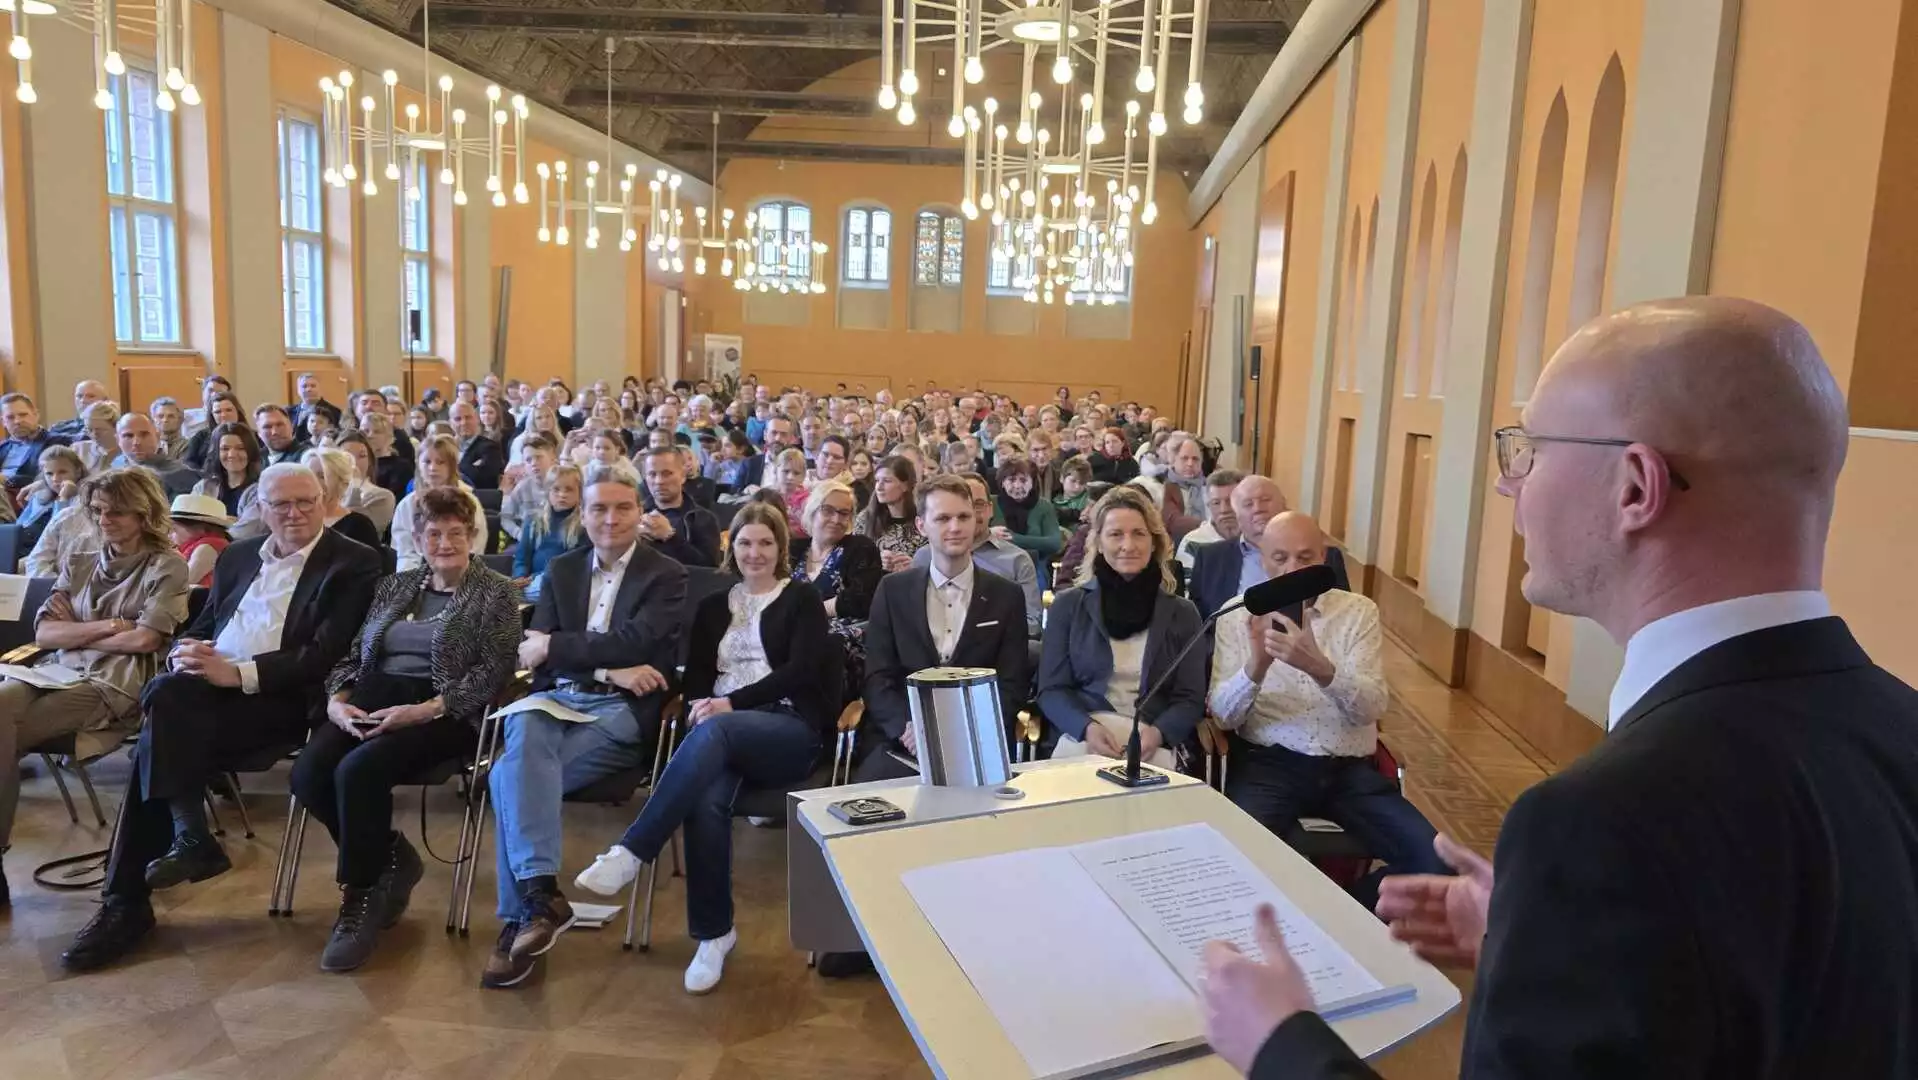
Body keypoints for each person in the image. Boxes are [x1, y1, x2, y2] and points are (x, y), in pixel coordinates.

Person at [1208, 297, 1918, 1080]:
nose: (1509, 486)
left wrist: (1283, 1045)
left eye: (1529, 451)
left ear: (1635, 488)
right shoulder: (1901, 726)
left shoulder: (1600, 824)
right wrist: (1558, 944)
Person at [59, 464, 381, 972]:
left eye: (306, 501)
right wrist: (184, 653)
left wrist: (237, 673)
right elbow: (204, 626)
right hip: (204, 697)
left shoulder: (354, 562)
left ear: (323, 502)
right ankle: (168, 860)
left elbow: (326, 654)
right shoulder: (238, 555)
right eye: (281, 504)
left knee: (159, 733)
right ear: (260, 509)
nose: (295, 513)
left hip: (283, 701)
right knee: (167, 702)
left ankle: (134, 895)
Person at [570, 502, 841, 995]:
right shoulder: (714, 606)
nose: (754, 553)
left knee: (716, 731)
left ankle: (633, 850)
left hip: (788, 728)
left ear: (781, 547)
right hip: (718, 733)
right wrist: (701, 704)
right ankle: (714, 935)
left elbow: (800, 672)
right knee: (705, 800)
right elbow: (695, 675)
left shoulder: (801, 597)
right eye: (745, 543)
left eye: (765, 543)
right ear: (731, 549)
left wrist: (728, 704)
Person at [293, 486, 521, 972]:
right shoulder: (394, 586)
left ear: (472, 536)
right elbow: (354, 655)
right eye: (433, 534)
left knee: (358, 772)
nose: (445, 543)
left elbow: (494, 673)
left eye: (455, 533)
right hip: (372, 697)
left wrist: (426, 710)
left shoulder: (497, 592)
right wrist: (336, 702)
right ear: (417, 539)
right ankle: (391, 856)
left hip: (447, 711)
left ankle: (360, 897)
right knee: (308, 775)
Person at [482, 460, 687, 990]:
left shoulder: (667, 575)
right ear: (583, 513)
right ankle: (539, 902)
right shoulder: (563, 569)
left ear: (640, 511)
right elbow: (536, 651)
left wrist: (565, 650)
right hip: (561, 698)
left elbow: (636, 641)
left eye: (623, 508)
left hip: (622, 711)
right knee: (525, 727)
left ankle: (524, 916)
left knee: (507, 778)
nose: (610, 519)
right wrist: (605, 668)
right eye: (599, 508)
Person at [1209, 511, 1444, 910]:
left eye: (1305, 558)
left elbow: (1372, 707)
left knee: (1438, 864)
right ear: (1262, 559)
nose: (1293, 569)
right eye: (1280, 558)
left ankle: (1342, 915)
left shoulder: (1358, 612)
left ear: (1324, 558)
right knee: (1234, 861)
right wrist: (1257, 666)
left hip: (1349, 769)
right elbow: (1223, 718)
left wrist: (1320, 668)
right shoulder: (1237, 613)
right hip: (1270, 765)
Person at [0, 469, 189, 905]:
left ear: (144, 514)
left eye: (117, 512)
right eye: (98, 510)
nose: (105, 520)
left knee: (3, 732)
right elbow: (45, 634)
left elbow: (145, 641)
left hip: (117, 680)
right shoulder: (81, 560)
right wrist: (111, 625)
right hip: (54, 670)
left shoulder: (167, 565)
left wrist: (77, 631)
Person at [853, 474, 1029, 784]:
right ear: (921, 525)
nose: (955, 527)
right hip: (902, 741)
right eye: (943, 518)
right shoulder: (892, 590)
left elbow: (1012, 683)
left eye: (964, 517)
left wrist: (965, 732)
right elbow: (878, 676)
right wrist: (907, 728)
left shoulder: (1007, 595)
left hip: (978, 740)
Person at [1039, 486, 1205, 768]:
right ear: (1099, 543)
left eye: (1138, 533)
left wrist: (1159, 733)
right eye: (1116, 534)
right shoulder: (1068, 606)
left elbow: (1190, 698)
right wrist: (1086, 728)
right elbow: (1051, 689)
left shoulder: (1183, 613)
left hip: (1152, 740)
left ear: (1154, 542)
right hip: (1084, 735)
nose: (1128, 545)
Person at [911, 472, 1043, 635]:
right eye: (947, 515)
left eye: (978, 505)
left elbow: (1032, 624)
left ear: (990, 509)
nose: (970, 513)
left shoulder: (1017, 560)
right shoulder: (924, 557)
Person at [793, 480, 883, 691]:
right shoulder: (792, 551)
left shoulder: (860, 547)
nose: (836, 519)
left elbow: (859, 601)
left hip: (843, 640)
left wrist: (806, 612)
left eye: (844, 513)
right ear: (813, 511)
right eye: (828, 510)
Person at [637, 446, 721, 567]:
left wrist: (670, 536)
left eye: (667, 474)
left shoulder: (702, 518)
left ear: (682, 476)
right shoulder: (635, 515)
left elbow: (709, 569)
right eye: (652, 474)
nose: (659, 481)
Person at [392, 436, 466, 572]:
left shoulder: (468, 502)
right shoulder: (406, 506)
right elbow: (405, 552)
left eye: (440, 462)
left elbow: (473, 548)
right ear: (418, 465)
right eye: (427, 462)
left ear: (451, 466)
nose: (433, 468)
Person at [513, 462, 582, 598]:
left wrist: (539, 577)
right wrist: (520, 576)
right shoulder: (534, 521)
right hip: (531, 584)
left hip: (564, 585)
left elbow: (574, 564)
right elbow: (522, 558)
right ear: (547, 491)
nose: (562, 495)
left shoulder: (583, 525)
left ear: (580, 493)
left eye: (569, 490)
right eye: (556, 489)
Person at [989, 456, 1063, 577]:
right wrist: (989, 533)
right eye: (1012, 480)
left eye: (1023, 480)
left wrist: (1014, 538)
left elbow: (1054, 543)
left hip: (1034, 567)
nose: (1017, 486)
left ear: (1032, 483)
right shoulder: (991, 503)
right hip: (996, 566)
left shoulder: (1044, 506)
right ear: (1002, 483)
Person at [192, 421, 265, 539]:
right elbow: (189, 525)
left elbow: (244, 532)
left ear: (250, 451)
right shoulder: (202, 487)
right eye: (225, 449)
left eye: (240, 448)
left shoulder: (262, 491)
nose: (231, 454)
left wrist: (212, 522)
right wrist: (230, 521)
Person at [304, 447, 384, 551]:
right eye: (309, 475)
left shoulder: (359, 525)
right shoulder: (295, 519)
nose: (312, 482)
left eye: (322, 476)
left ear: (342, 483)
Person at [855, 454, 926, 572]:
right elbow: (854, 560)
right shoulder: (865, 518)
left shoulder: (923, 521)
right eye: (877, 481)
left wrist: (914, 565)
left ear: (905, 486)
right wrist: (876, 562)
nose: (879, 487)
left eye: (887, 481)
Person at [13, 445, 84, 555]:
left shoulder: (82, 499)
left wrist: (63, 499)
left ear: (78, 472)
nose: (55, 479)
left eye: (62, 472)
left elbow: (59, 534)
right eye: (49, 474)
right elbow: (18, 527)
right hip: (18, 548)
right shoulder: (40, 496)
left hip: (45, 553)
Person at [110, 413, 198, 497]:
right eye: (128, 436)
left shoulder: (180, 474)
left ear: (157, 436)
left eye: (144, 434)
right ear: (118, 440)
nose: (136, 442)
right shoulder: (115, 467)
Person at [0, 392, 70, 495]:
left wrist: (7, 480)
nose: (17, 421)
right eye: (10, 417)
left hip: (25, 496)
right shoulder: (3, 447)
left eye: (23, 415)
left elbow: (49, 478)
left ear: (36, 415)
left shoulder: (56, 442)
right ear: (3, 422)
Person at [333, 431, 398, 536]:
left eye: (362, 456)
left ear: (370, 461)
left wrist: (355, 485)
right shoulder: (323, 492)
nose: (354, 462)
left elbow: (352, 529)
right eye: (347, 456)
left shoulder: (382, 497)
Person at [1177, 469, 1244, 568]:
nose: (1224, 510)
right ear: (1208, 505)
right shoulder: (1192, 542)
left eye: (1230, 501)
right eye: (1216, 503)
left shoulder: (1256, 539)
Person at [500, 432, 558, 542]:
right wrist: (518, 534)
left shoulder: (562, 483)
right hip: (529, 540)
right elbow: (504, 517)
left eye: (539, 457)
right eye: (528, 460)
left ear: (552, 458)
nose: (534, 463)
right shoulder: (522, 487)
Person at [167, 492, 233, 587]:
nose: (169, 536)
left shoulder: (207, 547)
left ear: (202, 529)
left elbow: (182, 582)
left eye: (174, 530)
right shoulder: (190, 546)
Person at [181, 392, 244, 474]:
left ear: (238, 411)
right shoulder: (201, 436)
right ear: (212, 415)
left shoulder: (252, 436)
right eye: (218, 412)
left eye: (229, 410)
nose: (223, 415)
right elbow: (188, 462)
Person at [450, 401, 505, 489]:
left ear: (477, 419)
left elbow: (485, 480)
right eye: (458, 419)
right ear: (450, 423)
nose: (463, 422)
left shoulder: (490, 448)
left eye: (468, 417)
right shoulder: (445, 446)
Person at [361, 410, 414, 500]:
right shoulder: (357, 463)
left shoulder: (402, 467)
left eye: (377, 431)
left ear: (389, 436)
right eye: (365, 431)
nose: (370, 435)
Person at [70, 400, 120, 474]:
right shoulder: (77, 449)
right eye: (89, 430)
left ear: (116, 428)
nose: (94, 435)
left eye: (100, 430)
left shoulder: (127, 452)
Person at [1052, 454, 1094, 529]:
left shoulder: (1089, 501)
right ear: (1062, 478)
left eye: (1082, 483)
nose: (1077, 487)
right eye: (1073, 481)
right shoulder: (1053, 501)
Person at [148, 397, 189, 462]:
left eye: (171, 416)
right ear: (153, 420)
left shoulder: (189, 446)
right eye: (160, 416)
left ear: (180, 420)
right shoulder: (147, 446)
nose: (165, 420)